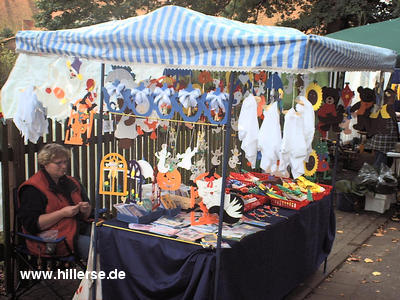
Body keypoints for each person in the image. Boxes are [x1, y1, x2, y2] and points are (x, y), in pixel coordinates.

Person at [18, 143, 92, 260]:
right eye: (59, 163)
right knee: (99, 250)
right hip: (52, 240)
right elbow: (32, 225)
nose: (64, 166)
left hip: (75, 228)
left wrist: (86, 210)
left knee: (111, 238)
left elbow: (87, 215)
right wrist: (62, 213)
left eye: (65, 162)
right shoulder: (33, 188)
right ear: (45, 164)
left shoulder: (72, 182)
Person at [365, 88, 399, 169]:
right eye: (393, 98)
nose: (394, 100)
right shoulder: (389, 107)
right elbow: (394, 120)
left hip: (378, 136)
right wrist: (397, 134)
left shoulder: (378, 106)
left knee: (379, 155)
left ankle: (378, 173)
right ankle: (378, 173)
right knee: (382, 157)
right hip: (385, 137)